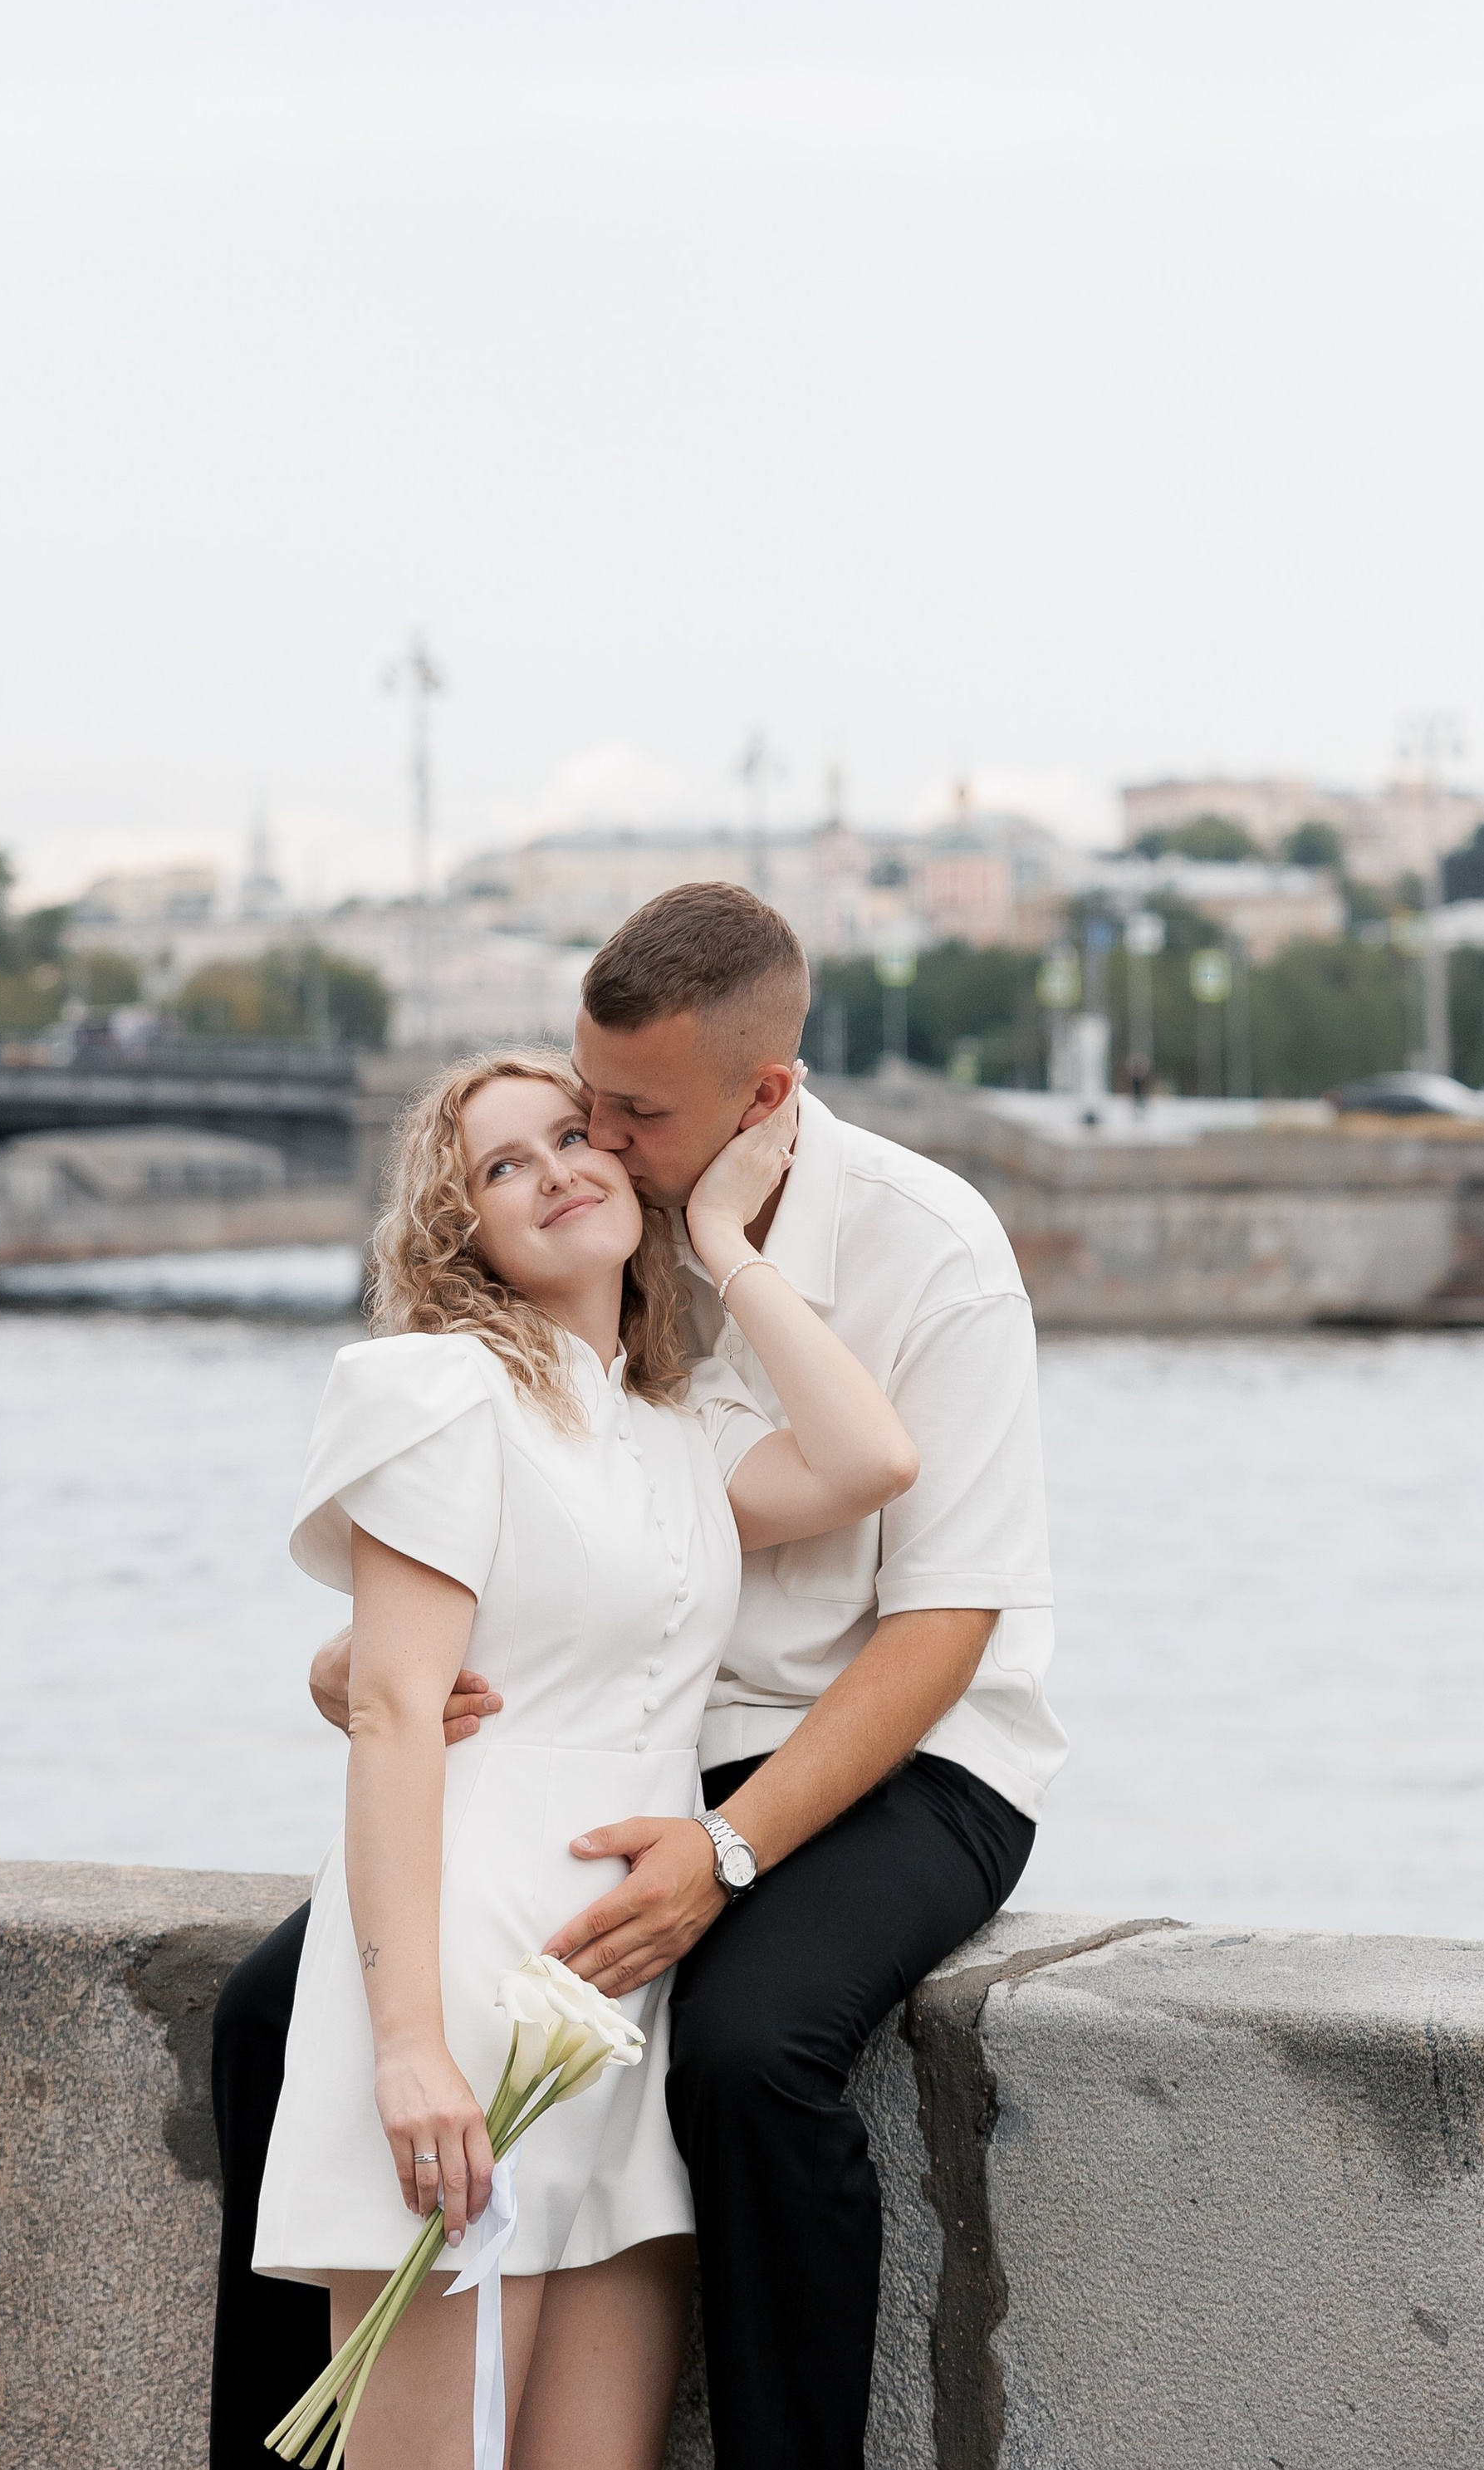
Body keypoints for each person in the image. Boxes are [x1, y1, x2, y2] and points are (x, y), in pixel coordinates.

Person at [212, 885, 1065, 2470]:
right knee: (271, 2010)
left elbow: (942, 1611)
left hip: (894, 1754)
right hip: (608, 1785)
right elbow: (474, 1585)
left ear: (762, 1095)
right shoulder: (530, 1312)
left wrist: (731, 1850)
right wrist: (377, 1651)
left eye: (624, 1117)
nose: (596, 1141)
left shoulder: (921, 1251)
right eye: (566, 1112)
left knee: (746, 2055)